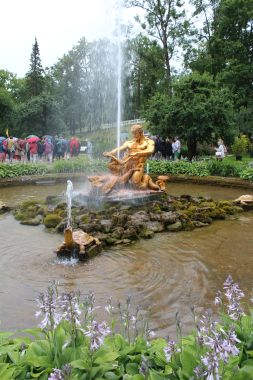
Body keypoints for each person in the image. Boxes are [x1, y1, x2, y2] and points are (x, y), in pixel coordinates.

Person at [98, 124, 167, 193]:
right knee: (119, 181)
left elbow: (150, 150)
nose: (133, 135)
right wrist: (111, 153)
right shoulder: (129, 142)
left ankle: (150, 180)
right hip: (126, 165)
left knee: (136, 184)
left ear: (140, 132)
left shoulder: (149, 142)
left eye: (135, 133)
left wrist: (137, 153)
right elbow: (119, 149)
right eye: (133, 133)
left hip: (138, 166)